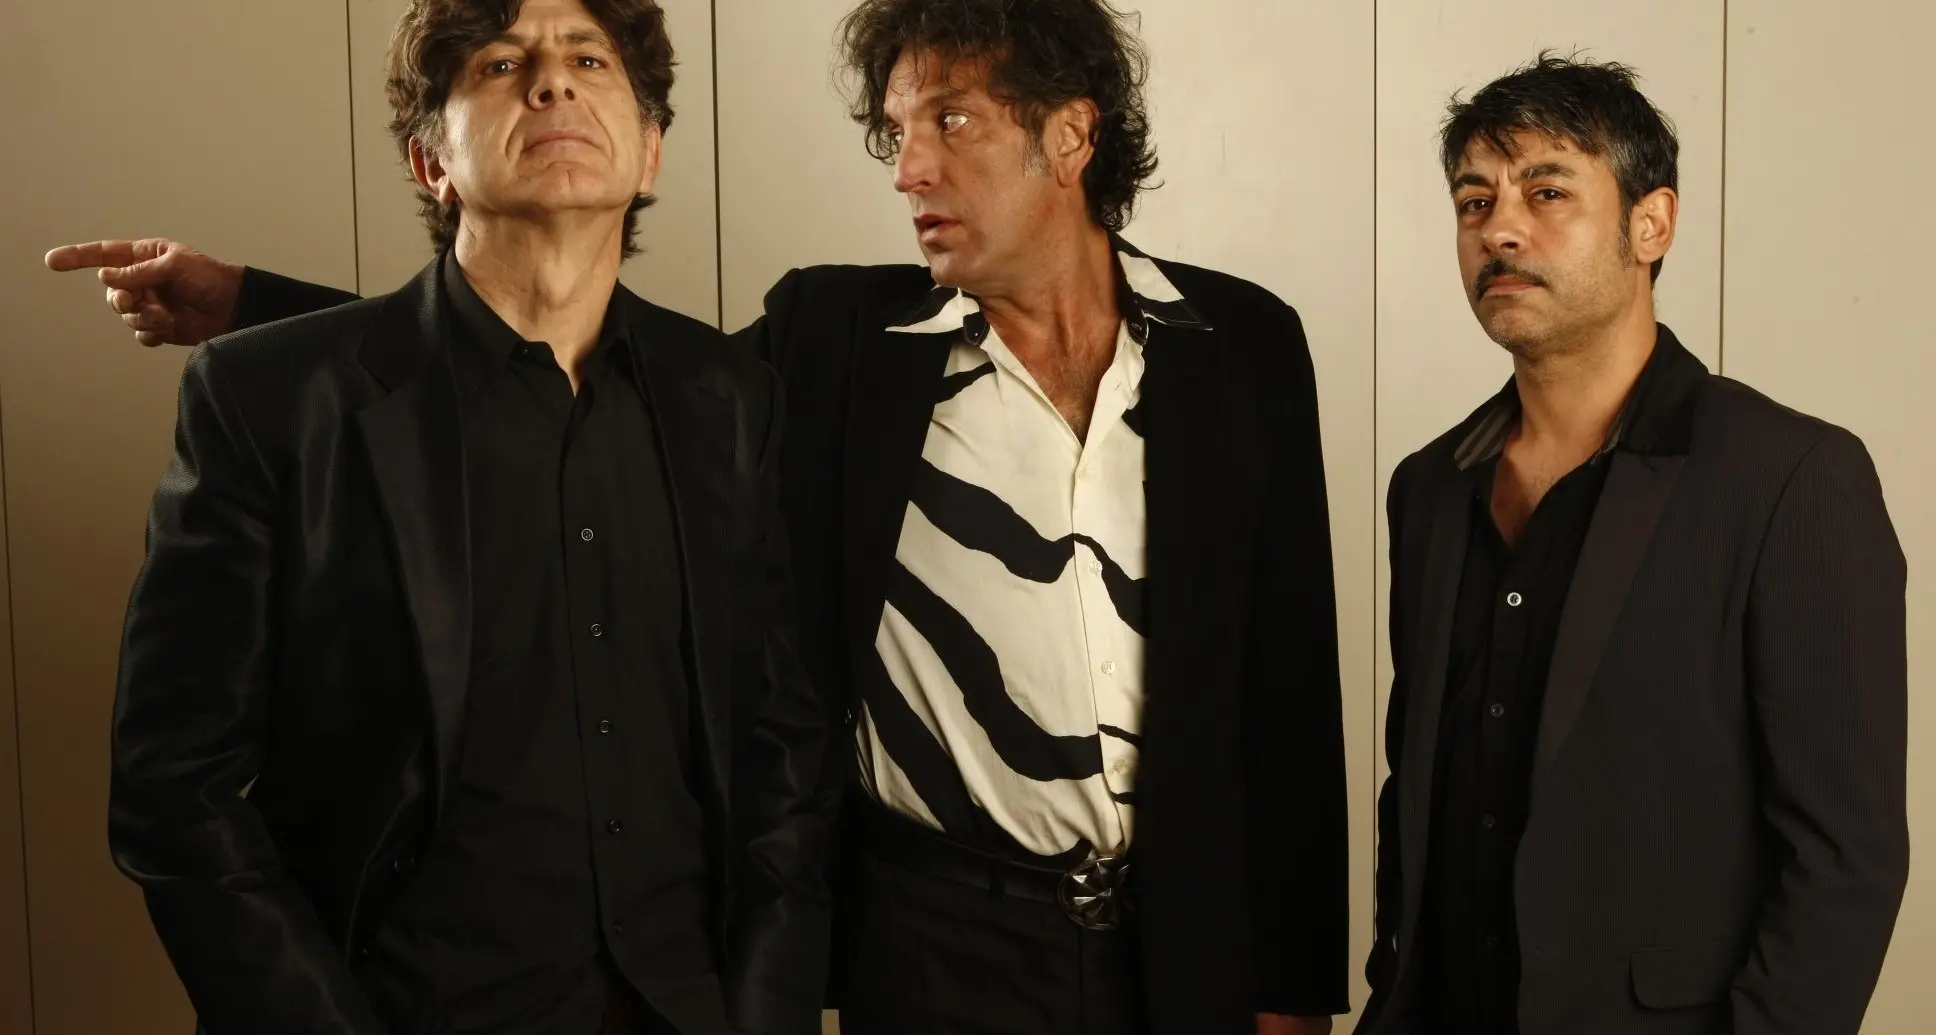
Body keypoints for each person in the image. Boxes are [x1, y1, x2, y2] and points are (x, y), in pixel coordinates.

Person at [50, 2, 1351, 1032]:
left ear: (1071, 136)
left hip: (1182, 939)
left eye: (949, 122)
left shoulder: (1239, 344)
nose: (908, 167)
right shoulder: (843, 343)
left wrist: (1294, 984)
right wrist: (258, 308)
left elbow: (1290, 687)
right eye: (896, 131)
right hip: (932, 942)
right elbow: (524, 368)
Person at [87, 1, 832, 1033]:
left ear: (651, 151)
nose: (553, 81)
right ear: (429, 161)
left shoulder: (729, 398)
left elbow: (779, 744)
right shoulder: (268, 400)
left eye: (589, 60)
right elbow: (174, 787)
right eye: (501, 63)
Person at [1360, 53, 1908, 1035]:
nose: (1499, 230)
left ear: (1650, 224)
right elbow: (1418, 795)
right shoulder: (1429, 487)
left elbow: (1843, 859)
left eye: (1547, 192)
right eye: (1474, 201)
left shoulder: (1790, 478)